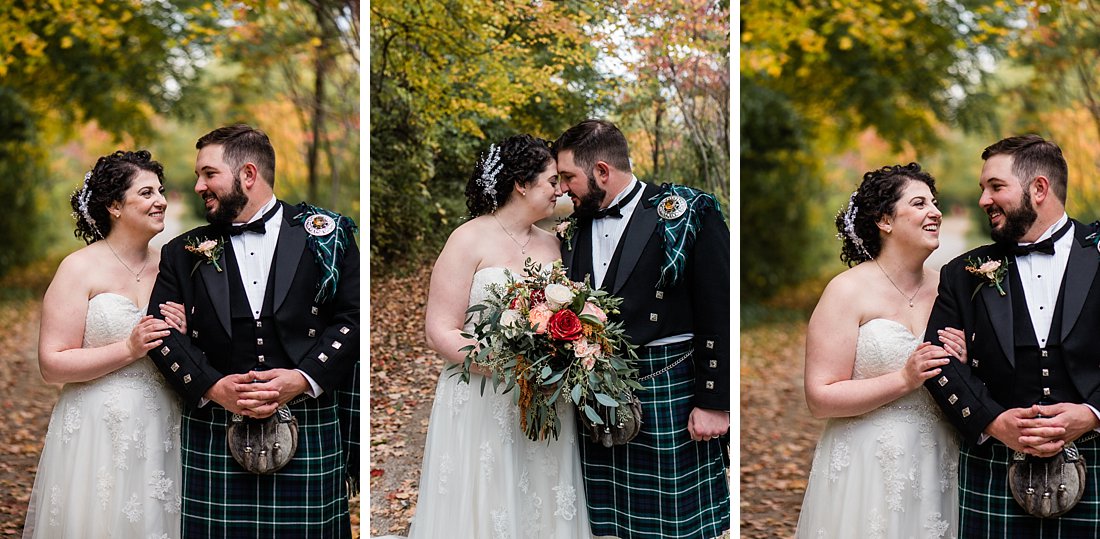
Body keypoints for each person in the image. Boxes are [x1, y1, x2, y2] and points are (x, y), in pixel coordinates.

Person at [146, 124, 360, 537]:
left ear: (247, 175)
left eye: (209, 174)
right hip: (214, 430)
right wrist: (213, 387)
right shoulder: (182, 251)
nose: (198, 186)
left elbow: (351, 318)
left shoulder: (327, 234)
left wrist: (302, 378)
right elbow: (159, 333)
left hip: (309, 420)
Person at [396, 133, 589, 538]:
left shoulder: (556, 245)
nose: (560, 190)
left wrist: (560, 356)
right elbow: (439, 331)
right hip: (481, 398)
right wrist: (511, 364)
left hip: (543, 400)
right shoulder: (468, 239)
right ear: (521, 183)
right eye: (551, 181)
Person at [553, 119, 730, 539]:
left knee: (676, 527)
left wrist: (715, 401)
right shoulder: (573, 223)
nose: (561, 189)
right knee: (606, 524)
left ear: (601, 171)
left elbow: (718, 308)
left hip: (671, 385)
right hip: (597, 393)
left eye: (567, 178)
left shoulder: (687, 211)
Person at [924, 135, 1100, 536]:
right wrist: (994, 420)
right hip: (995, 466)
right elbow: (937, 361)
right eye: (983, 189)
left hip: (1097, 453)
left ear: (1039, 188)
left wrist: (1091, 414)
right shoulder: (964, 272)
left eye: (996, 186)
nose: (984, 199)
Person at [795, 163, 969, 538]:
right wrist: (904, 379)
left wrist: (968, 363)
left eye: (935, 203)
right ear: (884, 221)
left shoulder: (950, 290)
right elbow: (819, 397)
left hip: (942, 458)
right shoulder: (846, 291)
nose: (935, 212)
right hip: (868, 464)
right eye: (920, 203)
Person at [23, 150, 188, 538]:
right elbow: (52, 364)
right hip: (97, 428)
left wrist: (185, 330)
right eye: (146, 193)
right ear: (114, 205)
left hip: (164, 422)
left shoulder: (172, 265)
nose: (160, 200)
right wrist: (128, 349)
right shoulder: (79, 268)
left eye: (160, 191)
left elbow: (188, 352)